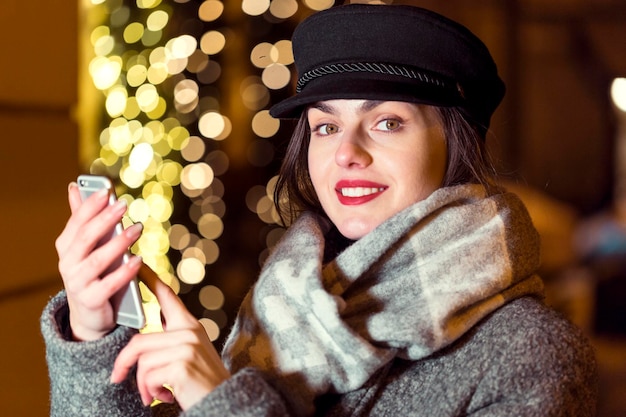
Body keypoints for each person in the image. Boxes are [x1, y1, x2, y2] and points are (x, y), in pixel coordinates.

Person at [41, 3, 598, 416]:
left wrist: (223, 404)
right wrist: (94, 339)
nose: (347, 153)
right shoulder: (285, 302)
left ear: (456, 144)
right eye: (326, 126)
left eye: (387, 122)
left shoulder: (531, 353)